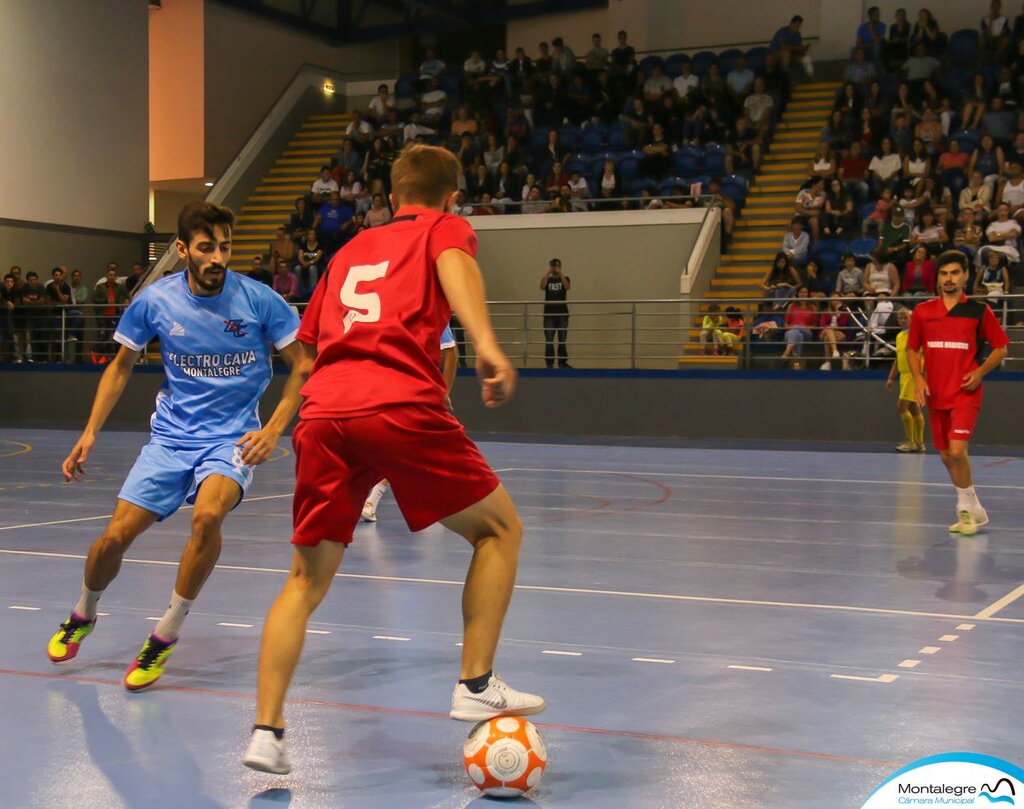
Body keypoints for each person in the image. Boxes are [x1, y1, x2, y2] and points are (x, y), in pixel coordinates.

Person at [243, 143, 545, 775]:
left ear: (390, 196)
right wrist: (486, 344)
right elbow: (457, 267)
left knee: (303, 582)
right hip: (398, 403)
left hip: (324, 415)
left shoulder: (347, 251)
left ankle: (265, 733)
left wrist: (286, 418)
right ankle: (476, 683)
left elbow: (308, 347)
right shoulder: (445, 227)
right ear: (451, 197)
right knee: (500, 530)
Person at [46, 201, 305, 692]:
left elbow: (304, 365)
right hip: (170, 439)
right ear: (183, 249)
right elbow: (121, 365)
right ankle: (85, 611)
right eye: (206, 248)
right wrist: (89, 432)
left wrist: (273, 429)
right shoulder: (154, 301)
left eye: (225, 247)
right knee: (113, 539)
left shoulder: (261, 300)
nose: (218, 258)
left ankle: (163, 637)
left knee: (207, 518)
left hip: (231, 439)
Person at [907, 250, 1009, 534]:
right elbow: (911, 349)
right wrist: (918, 378)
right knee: (945, 456)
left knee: (957, 450)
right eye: (943, 274)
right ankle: (975, 506)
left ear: (965, 276)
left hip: (966, 392)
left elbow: (1001, 348)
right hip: (935, 394)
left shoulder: (979, 311)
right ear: (937, 278)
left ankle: (964, 510)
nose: (948, 279)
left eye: (954, 273)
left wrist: (979, 372)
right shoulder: (923, 312)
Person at [361, 324, 460, 523]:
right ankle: (371, 499)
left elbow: (450, 354)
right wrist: (444, 392)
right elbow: (451, 354)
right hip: (410, 393)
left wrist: (443, 392)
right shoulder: (426, 308)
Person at [886, 307, 926, 452]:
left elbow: (925, 357)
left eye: (906, 318)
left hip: (914, 375)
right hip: (903, 375)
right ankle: (919, 443)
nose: (902, 321)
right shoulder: (899, 336)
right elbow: (898, 358)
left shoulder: (919, 335)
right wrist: (891, 377)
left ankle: (910, 441)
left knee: (901, 406)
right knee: (914, 408)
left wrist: (922, 376)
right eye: (900, 318)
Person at [541, 258, 571, 368]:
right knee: (549, 339)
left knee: (562, 339)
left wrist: (560, 274)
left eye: (557, 266)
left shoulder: (565, 278)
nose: (555, 268)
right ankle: (549, 362)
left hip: (562, 313)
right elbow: (542, 287)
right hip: (549, 314)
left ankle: (562, 362)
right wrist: (548, 273)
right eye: (553, 266)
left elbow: (567, 287)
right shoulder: (547, 280)